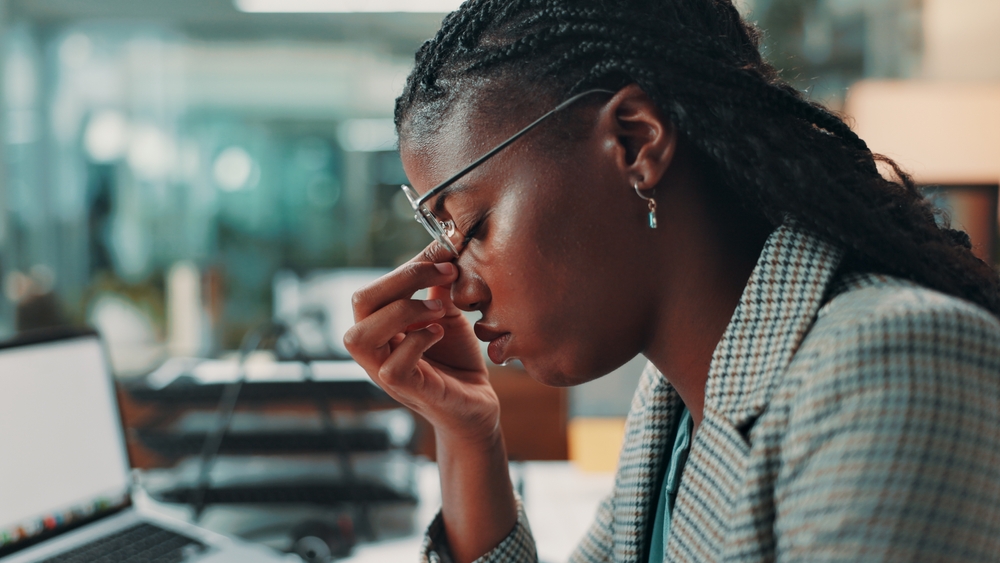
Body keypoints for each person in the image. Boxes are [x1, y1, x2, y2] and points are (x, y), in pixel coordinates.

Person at [343, 1, 1000, 562]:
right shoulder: (677, 408)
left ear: (634, 142)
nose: (460, 289)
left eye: (473, 225)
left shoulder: (890, 369)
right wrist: (467, 436)